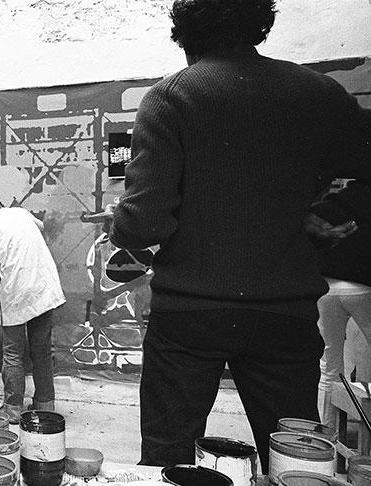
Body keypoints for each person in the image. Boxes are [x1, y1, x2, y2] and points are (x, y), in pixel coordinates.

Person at [108, 0, 371, 472]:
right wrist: (317, 212)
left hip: (190, 314)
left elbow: (142, 225)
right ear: (260, 23)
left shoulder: (172, 98)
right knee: (296, 462)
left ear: (185, 35)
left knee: (170, 461)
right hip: (284, 313)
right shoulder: (321, 94)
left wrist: (122, 217)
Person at [0, 187, 66, 423]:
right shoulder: (19, 212)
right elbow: (40, 226)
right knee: (41, 350)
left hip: (17, 292)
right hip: (44, 286)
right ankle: (45, 405)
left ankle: (12, 410)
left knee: (13, 353)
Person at [309, 181, 371, 427]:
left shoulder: (333, 204)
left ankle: (327, 433)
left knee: (329, 366)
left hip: (328, 287)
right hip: (363, 287)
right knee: (363, 360)